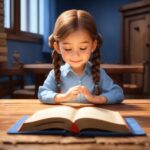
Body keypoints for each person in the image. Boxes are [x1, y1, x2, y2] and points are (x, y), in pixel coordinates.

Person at [38, 9, 124, 104]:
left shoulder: (98, 73)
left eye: (83, 48)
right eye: (67, 48)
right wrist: (63, 97)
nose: (75, 55)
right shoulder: (55, 74)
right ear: (57, 47)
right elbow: (42, 93)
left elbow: (117, 93)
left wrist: (95, 99)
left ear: (93, 46)